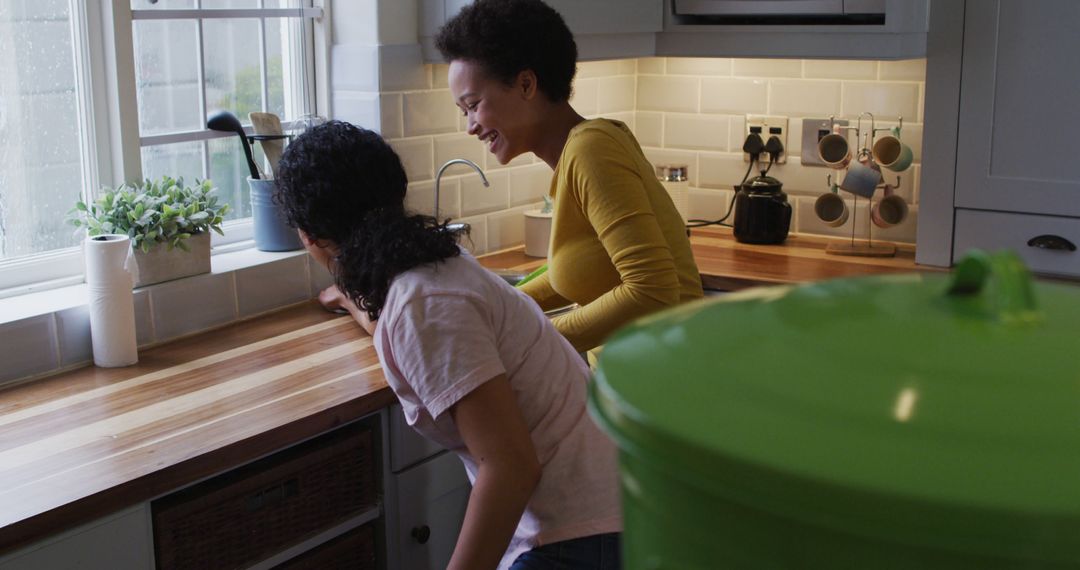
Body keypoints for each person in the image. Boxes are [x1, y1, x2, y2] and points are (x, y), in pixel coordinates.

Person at [274, 121, 622, 570]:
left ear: (308, 235)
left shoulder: (423, 303)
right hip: (601, 504)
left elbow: (511, 468)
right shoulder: (433, 267)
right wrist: (350, 301)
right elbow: (399, 321)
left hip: (584, 533)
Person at [436, 0, 704, 354]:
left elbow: (652, 292)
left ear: (527, 84)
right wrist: (497, 308)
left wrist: (523, 339)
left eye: (473, 105)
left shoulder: (591, 151)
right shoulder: (575, 155)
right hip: (636, 377)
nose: (470, 126)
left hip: (665, 384)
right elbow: (573, 277)